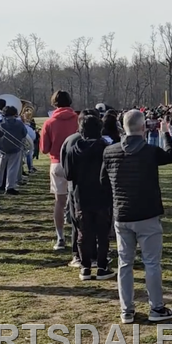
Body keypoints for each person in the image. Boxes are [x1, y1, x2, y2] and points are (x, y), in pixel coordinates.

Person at [101, 109, 172, 324]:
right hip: (147, 214)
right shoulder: (150, 151)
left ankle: (126, 310)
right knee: (151, 263)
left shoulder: (110, 152)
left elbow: (103, 181)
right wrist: (165, 133)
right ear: (144, 128)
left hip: (122, 214)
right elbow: (170, 156)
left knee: (124, 263)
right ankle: (156, 307)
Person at [64, 113, 115, 281]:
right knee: (102, 232)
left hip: (81, 194)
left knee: (83, 232)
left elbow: (69, 174)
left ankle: (85, 267)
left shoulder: (74, 149)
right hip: (102, 194)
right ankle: (102, 266)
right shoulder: (105, 148)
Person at [41, 91, 79, 250]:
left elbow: (44, 149)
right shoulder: (78, 119)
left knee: (59, 202)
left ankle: (60, 237)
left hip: (57, 163)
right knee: (79, 202)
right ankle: (80, 236)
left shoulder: (49, 122)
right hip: (77, 162)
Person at [0, 106, 27, 196]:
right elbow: (24, 134)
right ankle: (10, 187)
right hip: (16, 148)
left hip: (2, 148)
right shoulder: (19, 123)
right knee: (13, 168)